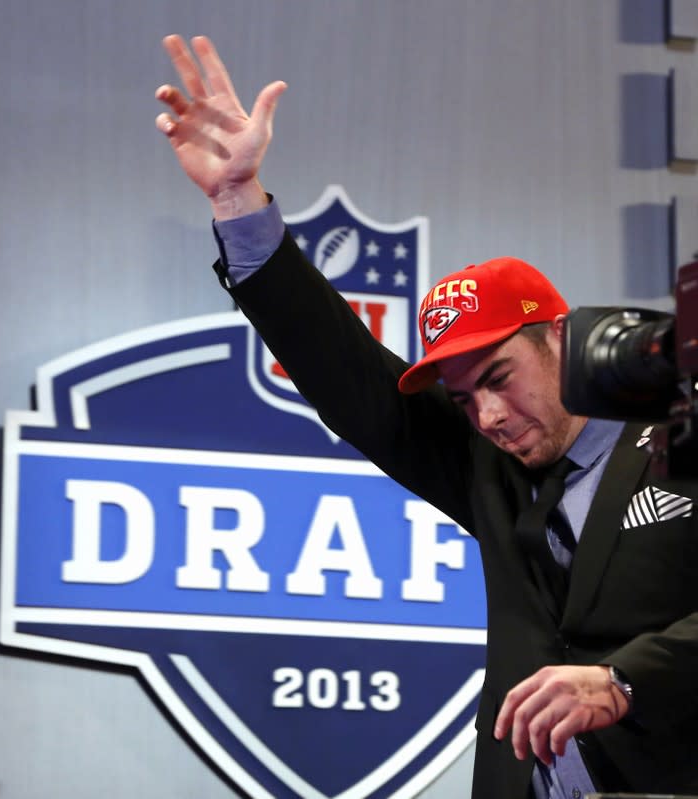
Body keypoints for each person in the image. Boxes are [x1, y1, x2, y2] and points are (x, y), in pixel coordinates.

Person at [155, 34, 698, 799]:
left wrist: (623, 681)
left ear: (557, 337)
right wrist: (236, 203)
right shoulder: (490, 466)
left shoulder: (680, 425)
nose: (487, 415)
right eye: (462, 397)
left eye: (499, 378)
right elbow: (344, 372)